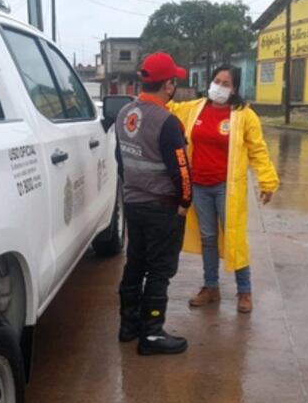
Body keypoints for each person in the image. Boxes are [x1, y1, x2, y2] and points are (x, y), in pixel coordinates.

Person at [168, 65, 279, 314]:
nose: (219, 86)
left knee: (234, 237)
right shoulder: (195, 108)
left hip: (226, 188)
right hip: (199, 186)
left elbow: (258, 150)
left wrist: (267, 181)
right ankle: (210, 287)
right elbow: (169, 109)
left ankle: (244, 291)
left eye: (225, 83)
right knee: (208, 238)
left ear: (235, 88)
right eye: (216, 81)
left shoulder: (244, 115)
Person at [115, 52, 193, 356]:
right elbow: (182, 169)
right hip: (162, 207)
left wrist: (132, 188)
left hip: (133, 204)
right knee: (160, 270)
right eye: (174, 80)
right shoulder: (167, 122)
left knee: (135, 262)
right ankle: (152, 334)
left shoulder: (124, 114)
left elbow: (121, 158)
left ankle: (128, 326)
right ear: (169, 85)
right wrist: (185, 202)